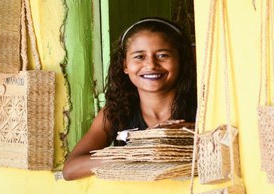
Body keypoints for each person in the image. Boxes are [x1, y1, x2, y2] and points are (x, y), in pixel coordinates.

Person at [62, 18, 196, 180]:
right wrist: (138, 150)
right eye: (139, 57)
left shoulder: (204, 108)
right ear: (125, 65)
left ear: (180, 61)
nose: (151, 65)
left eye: (162, 55)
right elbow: (70, 169)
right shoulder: (115, 112)